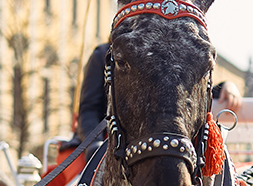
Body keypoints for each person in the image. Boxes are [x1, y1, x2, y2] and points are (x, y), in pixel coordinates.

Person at [75, 41, 242, 160]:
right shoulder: (102, 55)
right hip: (111, 143)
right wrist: (93, 147)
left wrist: (225, 87)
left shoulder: (167, 55)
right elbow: (89, 109)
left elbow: (184, 95)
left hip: (160, 145)